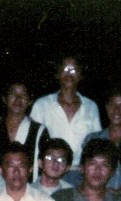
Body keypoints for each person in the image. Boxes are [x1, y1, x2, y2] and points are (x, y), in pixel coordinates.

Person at [30, 56, 101, 185]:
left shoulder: (91, 107)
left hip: (80, 175)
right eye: (65, 68)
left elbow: (95, 144)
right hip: (50, 173)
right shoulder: (42, 105)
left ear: (80, 75)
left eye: (73, 69)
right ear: (57, 74)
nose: (69, 73)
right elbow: (33, 144)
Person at [0, 80, 49, 183]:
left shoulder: (39, 130)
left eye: (23, 95)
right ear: (4, 98)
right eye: (13, 94)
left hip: (28, 189)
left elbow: (42, 167)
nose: (18, 99)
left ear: (29, 101)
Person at [82, 89, 121, 190]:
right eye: (112, 104)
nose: (116, 110)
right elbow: (85, 173)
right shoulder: (92, 139)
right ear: (106, 107)